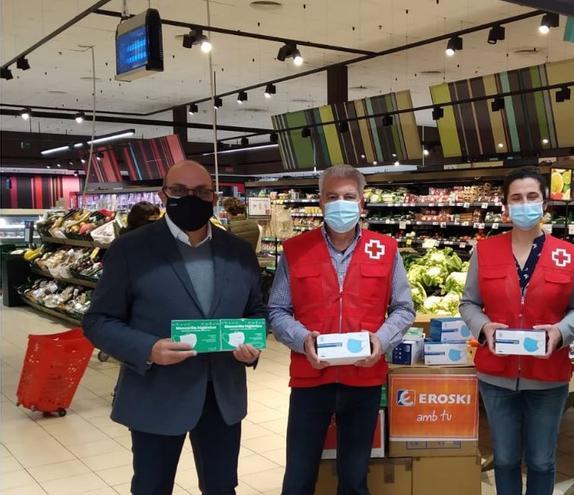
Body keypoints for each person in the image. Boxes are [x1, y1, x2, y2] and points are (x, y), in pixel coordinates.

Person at [83, 160, 266, 495]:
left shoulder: (238, 252)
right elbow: (98, 321)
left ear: (213, 196)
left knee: (222, 487)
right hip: (157, 394)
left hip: (222, 396)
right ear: (163, 194)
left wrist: (253, 346)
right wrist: (147, 349)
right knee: (152, 487)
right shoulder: (131, 249)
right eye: (180, 191)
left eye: (201, 191)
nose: (191, 198)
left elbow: (255, 311)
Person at [268, 164, 415, 495]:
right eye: (332, 196)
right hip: (310, 377)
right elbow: (277, 310)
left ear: (362, 203)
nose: (341, 203)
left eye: (349, 196)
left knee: (354, 477)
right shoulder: (296, 250)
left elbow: (404, 308)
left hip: (363, 378)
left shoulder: (386, 249)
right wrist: (303, 339)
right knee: (298, 477)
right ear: (320, 202)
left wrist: (381, 340)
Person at [460, 166, 574, 495]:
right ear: (505, 206)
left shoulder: (569, 254)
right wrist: (484, 327)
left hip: (548, 376)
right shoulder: (484, 251)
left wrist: (559, 332)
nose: (524, 204)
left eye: (532, 197)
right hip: (497, 377)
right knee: (504, 458)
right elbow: (468, 303)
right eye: (516, 198)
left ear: (545, 203)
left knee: (542, 461)